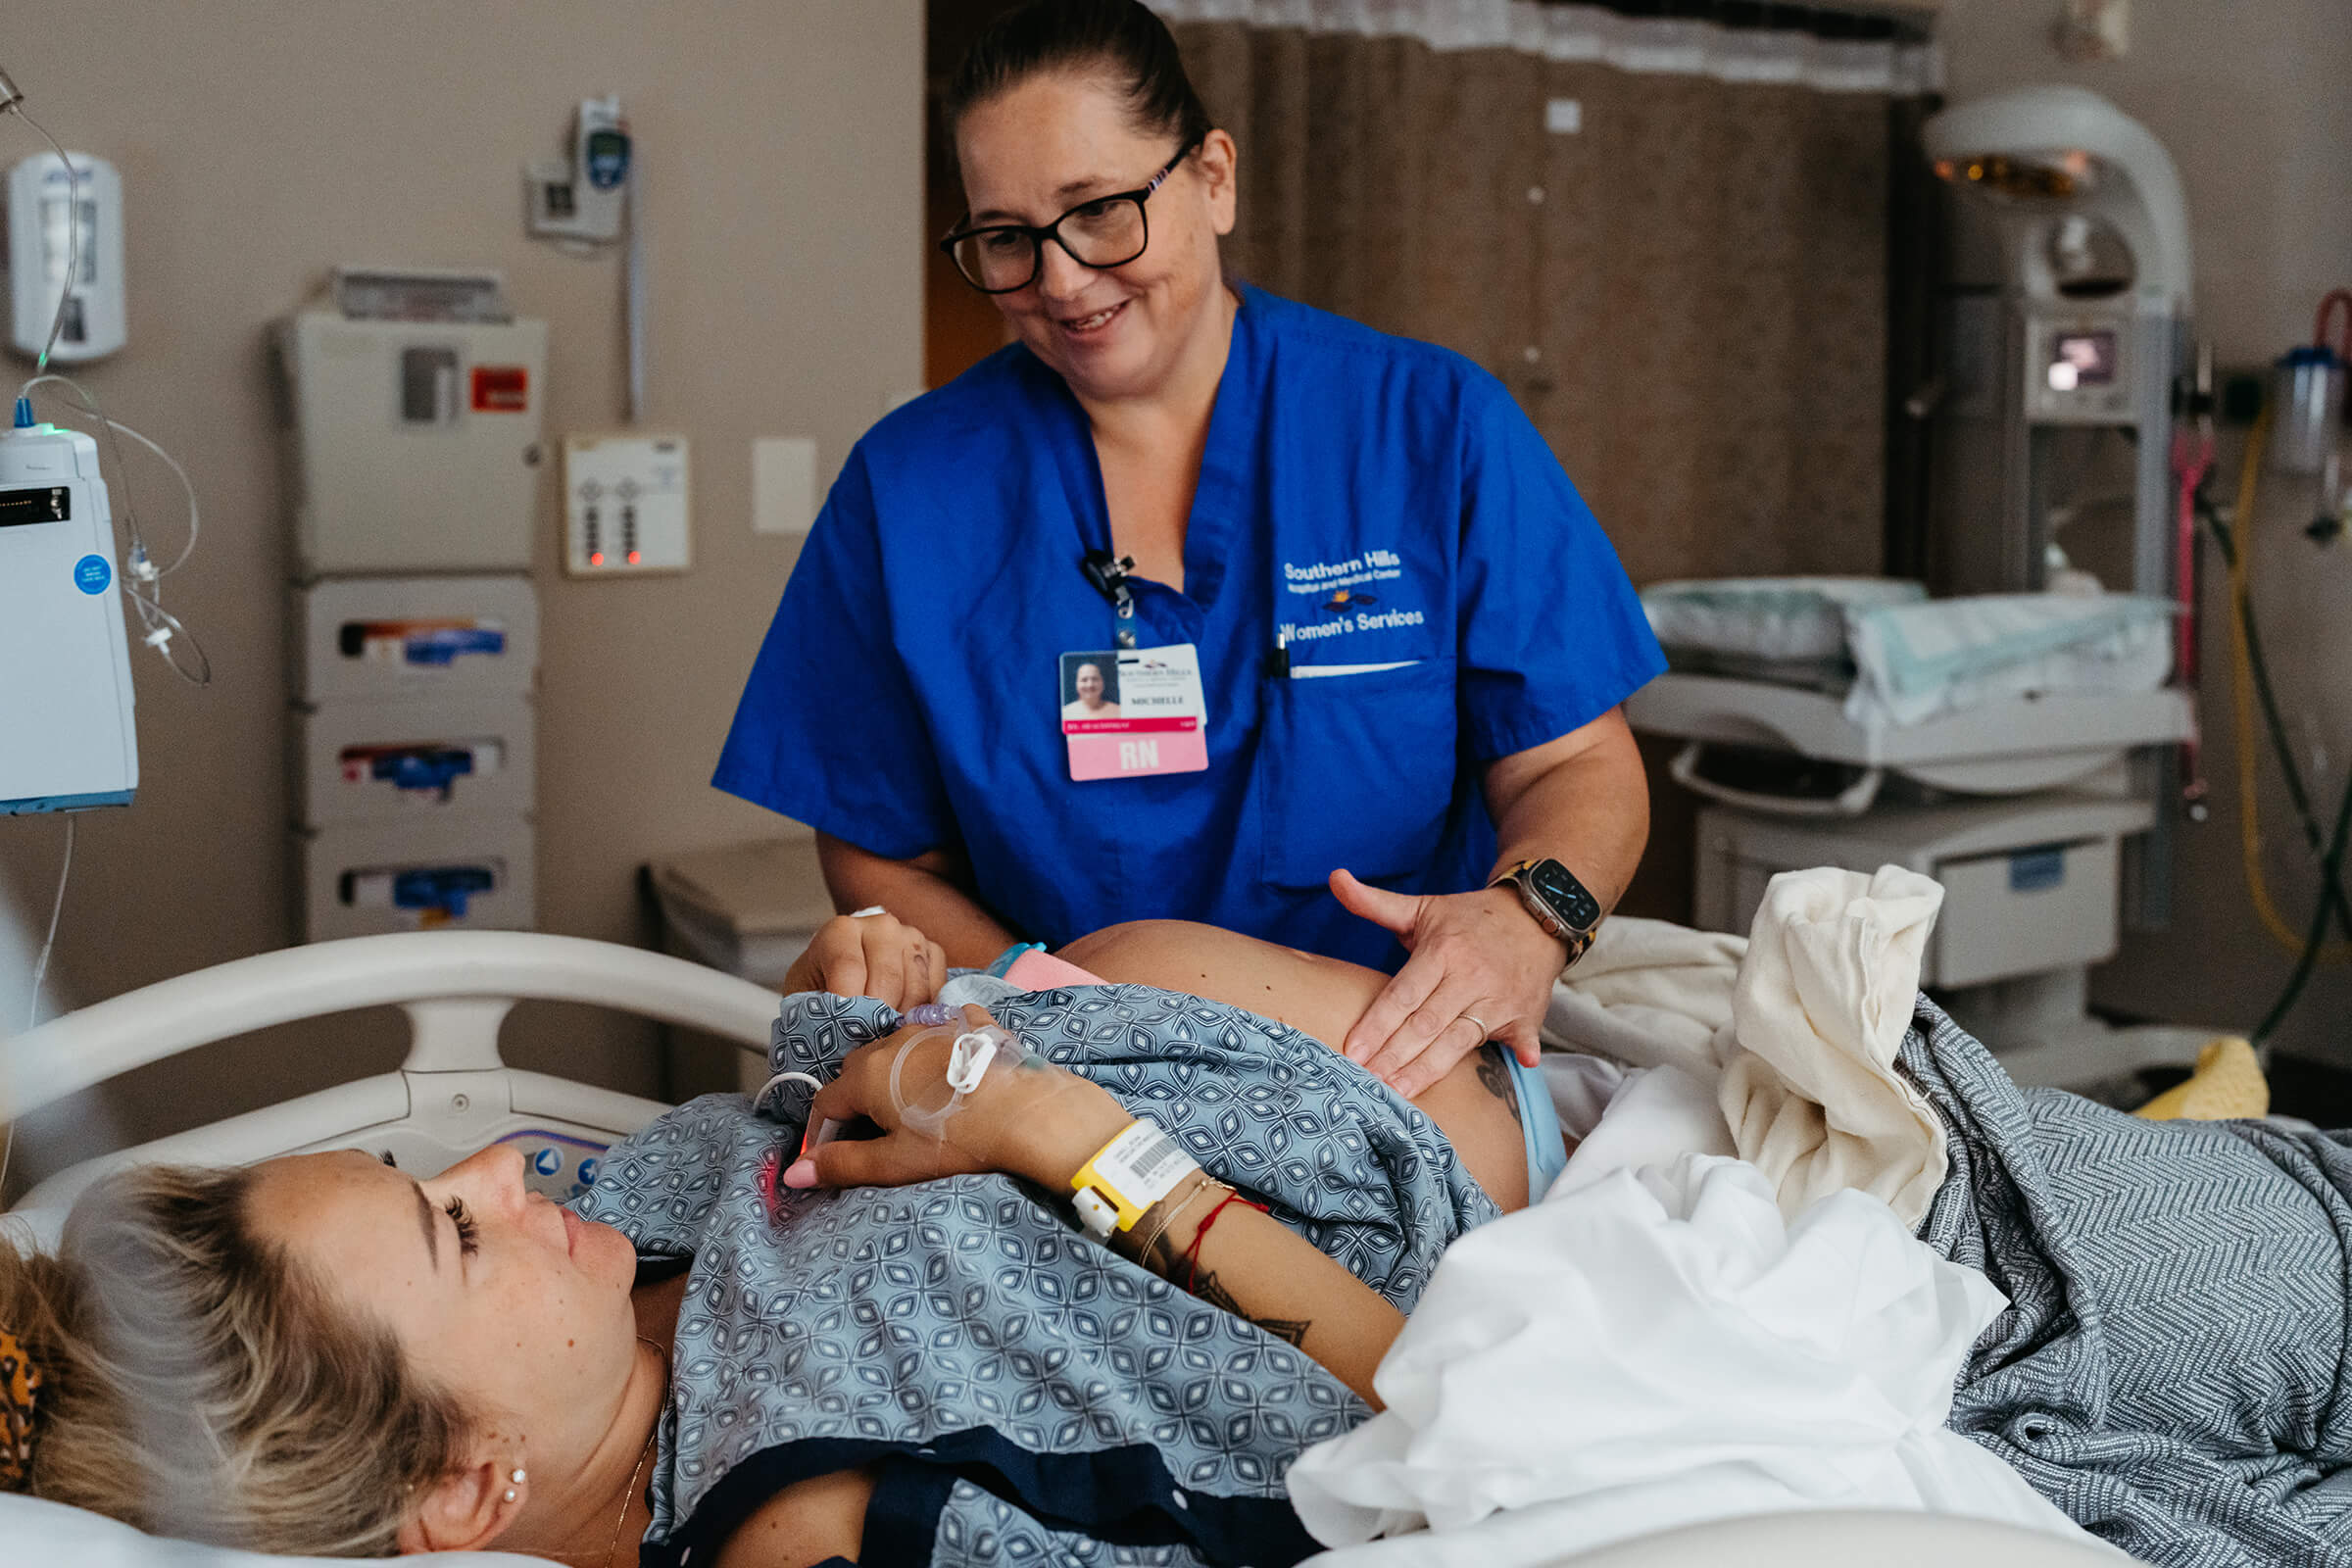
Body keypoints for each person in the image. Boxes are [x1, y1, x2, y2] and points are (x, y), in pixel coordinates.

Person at [12, 914, 2352, 1565]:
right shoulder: (810, 1508)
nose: (519, 1157)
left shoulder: (618, 1256)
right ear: (458, 1495)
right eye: (448, 1212)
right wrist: (1052, 1130)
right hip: (1812, 1303)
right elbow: (1425, 1418)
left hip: (1781, 1157)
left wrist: (870, 992)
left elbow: (794, 1076)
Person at [713, 0, 1665, 1103]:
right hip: (1067, 1081)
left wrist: (1529, 917)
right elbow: (879, 848)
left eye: (1102, 211)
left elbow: (1575, 764)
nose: (1062, 280)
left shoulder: (1428, 427)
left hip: (1399, 1073)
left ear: (1213, 176)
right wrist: (1047, 996)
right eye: (1007, 238)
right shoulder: (912, 488)